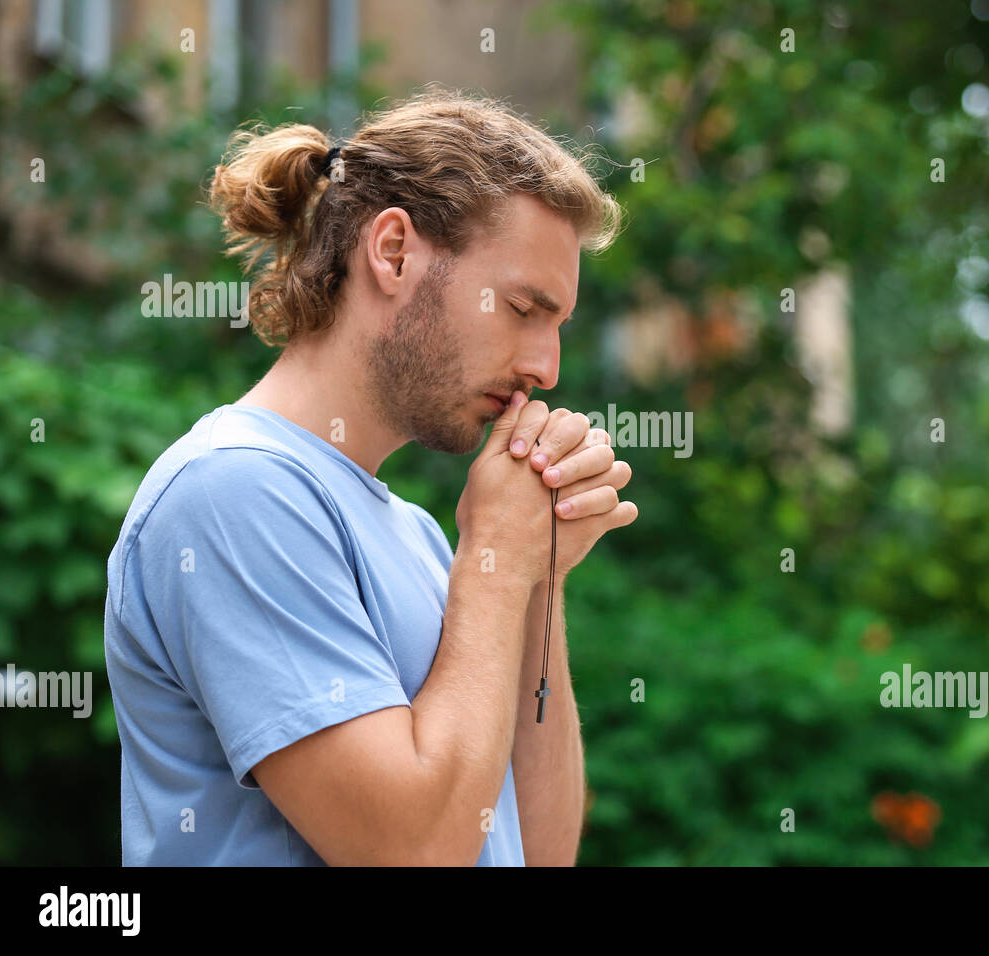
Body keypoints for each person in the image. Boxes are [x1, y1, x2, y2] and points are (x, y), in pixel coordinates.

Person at [102, 89, 638, 866]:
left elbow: (538, 851)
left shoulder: (419, 537)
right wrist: (497, 559)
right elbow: (413, 850)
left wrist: (535, 575)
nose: (545, 369)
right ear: (392, 253)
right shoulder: (233, 493)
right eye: (523, 308)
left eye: (557, 328)